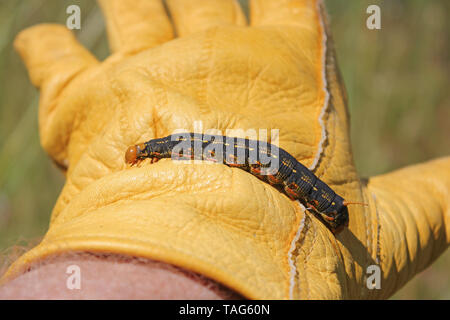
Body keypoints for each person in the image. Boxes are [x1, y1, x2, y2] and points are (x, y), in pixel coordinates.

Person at [0, 0, 449, 299]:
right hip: (276, 180)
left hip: (296, 184)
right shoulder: (173, 146)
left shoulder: (172, 147)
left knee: (260, 159)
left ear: (148, 155)